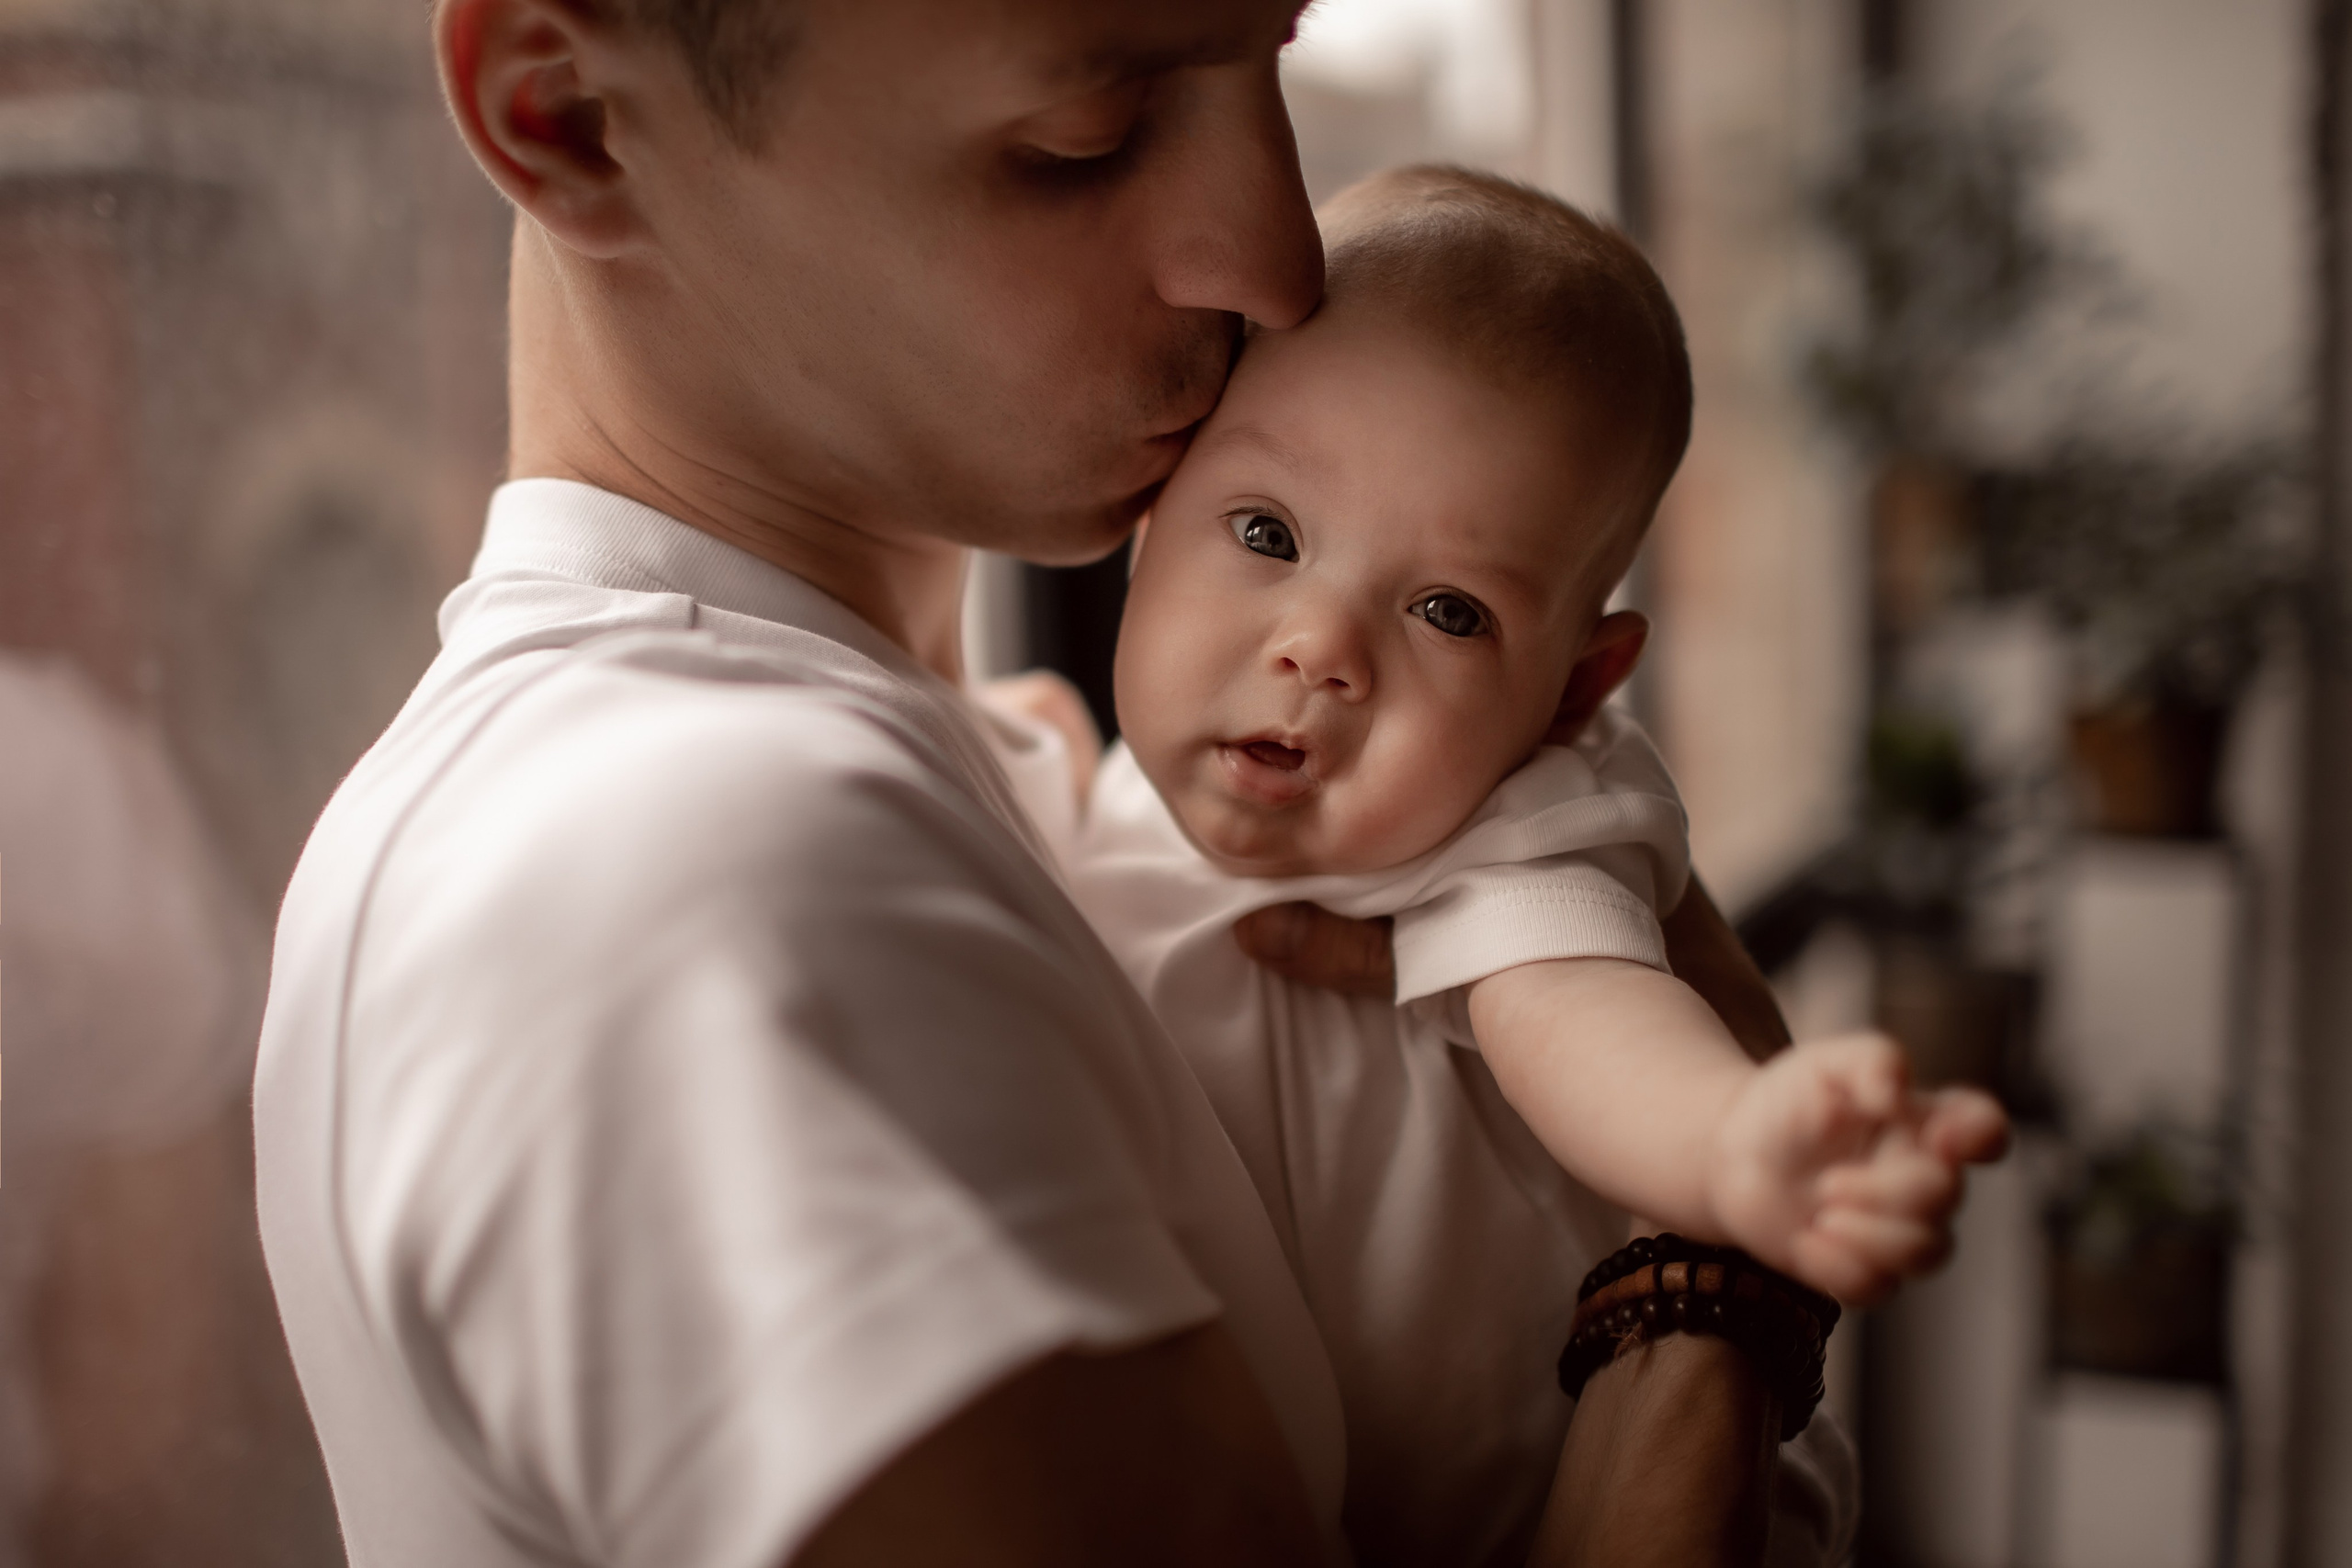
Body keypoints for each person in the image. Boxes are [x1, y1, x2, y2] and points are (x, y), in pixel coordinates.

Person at [250, 3, 1962, 1563]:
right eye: (1089, 129)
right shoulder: (694, 885)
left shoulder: (991, 777)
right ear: (571, 119)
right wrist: (1701, 1302)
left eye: (1271, 52)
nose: (1281, 260)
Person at [1066, 165, 2011, 1565]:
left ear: (1575, 691)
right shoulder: (1089, 788)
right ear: (1149, 521)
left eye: (1449, 612)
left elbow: (1582, 1016)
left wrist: (1730, 1147)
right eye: (1266, 534)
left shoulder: (1510, 830)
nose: (1319, 648)